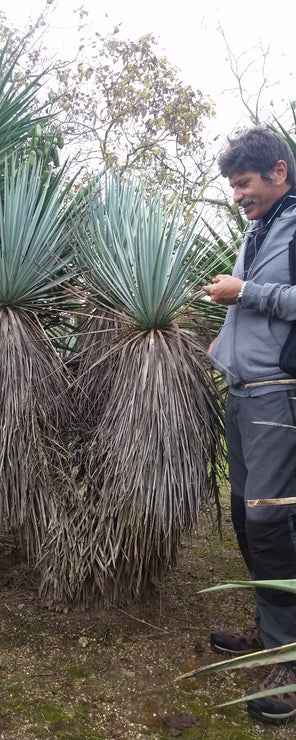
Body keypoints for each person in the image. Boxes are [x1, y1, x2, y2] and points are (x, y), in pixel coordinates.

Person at [202, 125, 296, 724]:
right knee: (245, 514)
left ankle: (288, 658)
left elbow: (268, 297)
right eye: (234, 188)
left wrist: (245, 293)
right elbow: (257, 306)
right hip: (244, 393)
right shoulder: (260, 229)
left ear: (279, 172)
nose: (238, 195)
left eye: (245, 184)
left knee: (271, 520)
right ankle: (272, 628)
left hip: (279, 398)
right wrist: (225, 340)